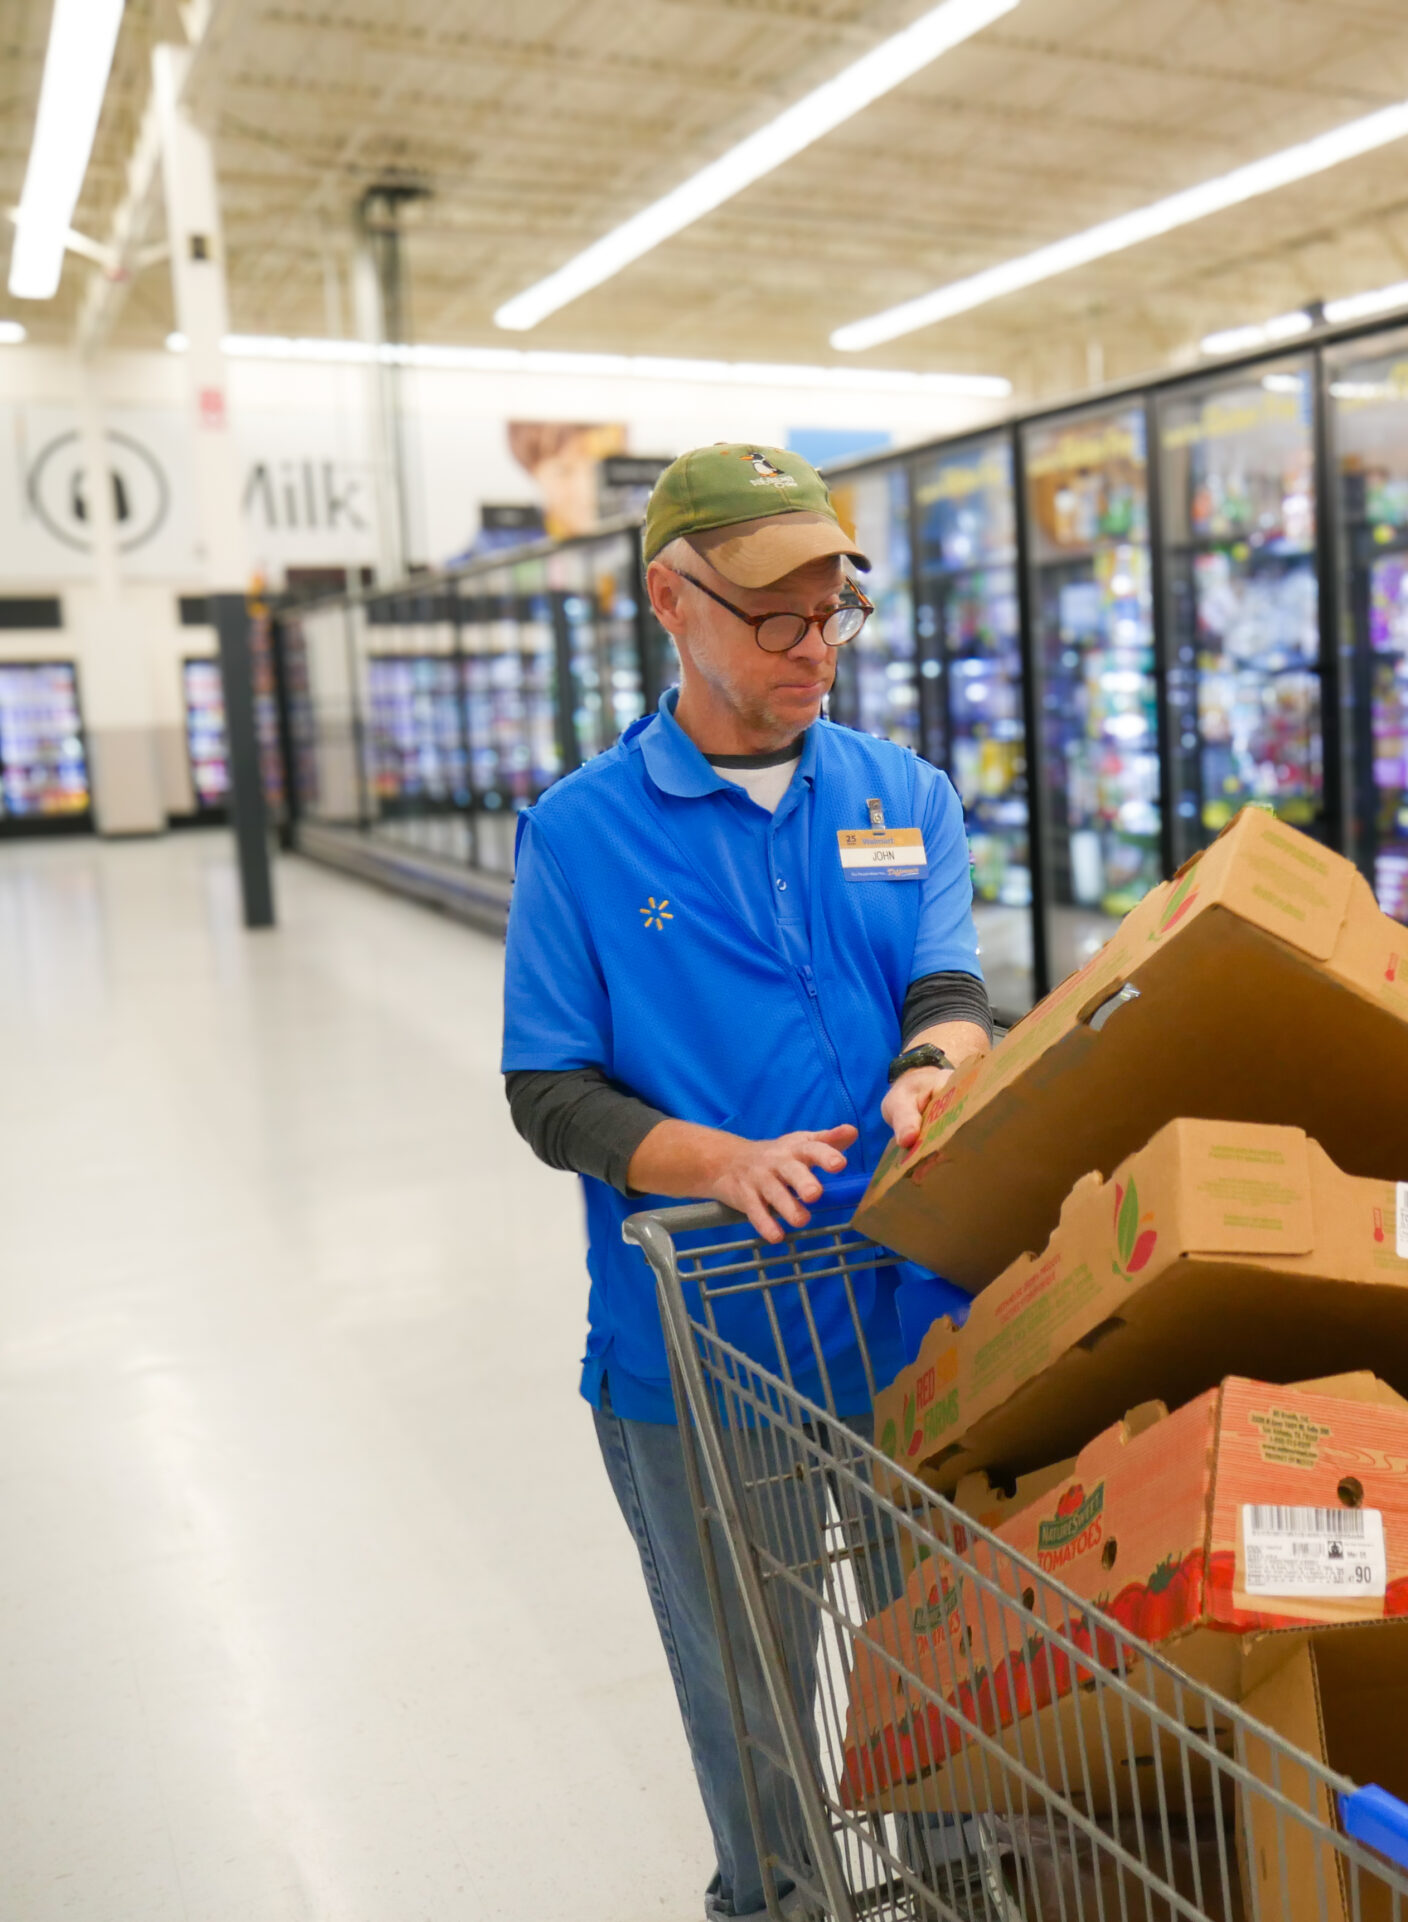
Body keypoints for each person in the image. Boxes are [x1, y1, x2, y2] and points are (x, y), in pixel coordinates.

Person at [500, 442, 992, 1920]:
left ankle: (960, 1881)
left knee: (947, 1665)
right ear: (672, 597)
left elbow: (951, 984)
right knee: (761, 1701)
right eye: (776, 616)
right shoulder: (581, 835)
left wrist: (938, 1065)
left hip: (909, 1313)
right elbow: (550, 1091)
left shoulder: (903, 790)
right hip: (704, 1352)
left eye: (832, 611)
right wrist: (723, 1161)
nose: (813, 650)